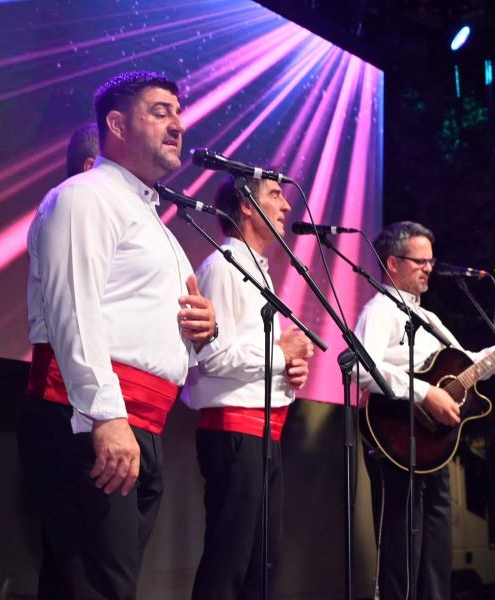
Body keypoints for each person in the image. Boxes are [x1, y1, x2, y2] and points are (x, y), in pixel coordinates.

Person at [18, 70, 217, 599]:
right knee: (101, 588)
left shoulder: (152, 221)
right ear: (117, 125)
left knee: (81, 586)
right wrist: (105, 416)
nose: (177, 125)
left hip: (140, 421)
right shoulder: (85, 197)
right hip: (89, 418)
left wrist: (205, 329)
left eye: (178, 113)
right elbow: (74, 310)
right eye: (160, 112)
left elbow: (145, 320)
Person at [354, 221, 495, 599]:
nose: (429, 268)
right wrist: (426, 393)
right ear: (392, 263)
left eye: (431, 261)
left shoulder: (428, 319)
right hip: (397, 438)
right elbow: (363, 368)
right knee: (400, 546)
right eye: (420, 261)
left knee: (437, 551)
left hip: (434, 445)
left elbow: (470, 366)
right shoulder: (380, 310)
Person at [181, 175, 313, 599]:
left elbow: (252, 355)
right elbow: (213, 356)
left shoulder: (259, 273)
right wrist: (280, 352)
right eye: (275, 195)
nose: (286, 206)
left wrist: (288, 372)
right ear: (246, 206)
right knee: (229, 562)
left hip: (265, 431)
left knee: (262, 565)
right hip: (235, 432)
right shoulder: (222, 267)